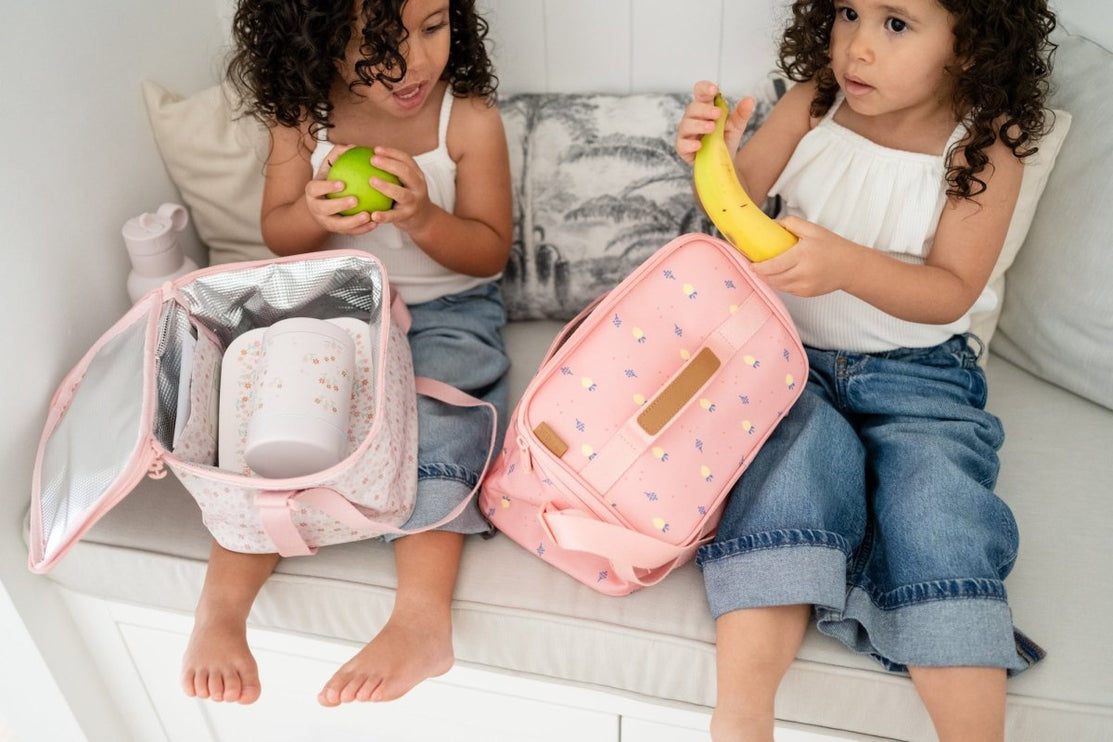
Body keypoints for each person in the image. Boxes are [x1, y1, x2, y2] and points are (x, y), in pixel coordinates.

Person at [675, 0, 1057, 739]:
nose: (856, 46)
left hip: (921, 372)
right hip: (790, 360)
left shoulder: (985, 144)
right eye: (848, 12)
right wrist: (712, 153)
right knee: (785, 482)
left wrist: (847, 266)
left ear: (972, 45)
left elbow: (951, 289)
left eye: (895, 23)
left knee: (937, 506)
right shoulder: (813, 100)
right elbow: (737, 204)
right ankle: (742, 717)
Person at [181, 0, 512, 707]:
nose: (415, 62)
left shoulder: (468, 118)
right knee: (271, 426)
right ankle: (221, 612)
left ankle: (421, 621)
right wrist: (313, 213)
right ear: (318, 42)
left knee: (444, 423)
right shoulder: (303, 120)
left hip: (448, 311)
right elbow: (279, 237)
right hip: (335, 306)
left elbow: (489, 252)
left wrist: (424, 217)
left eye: (433, 27)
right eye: (379, 44)